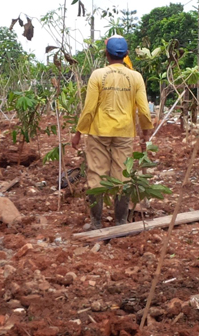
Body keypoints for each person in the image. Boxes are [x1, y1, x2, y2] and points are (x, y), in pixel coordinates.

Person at [71, 35, 154, 229]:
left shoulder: (97, 75)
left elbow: (89, 108)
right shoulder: (135, 77)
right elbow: (143, 108)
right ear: (126, 55)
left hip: (98, 132)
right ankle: (121, 221)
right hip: (124, 133)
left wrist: (78, 132)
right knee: (122, 176)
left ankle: (96, 222)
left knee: (96, 176)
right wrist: (146, 133)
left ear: (106, 54)